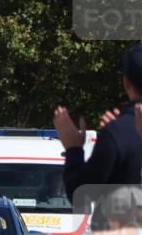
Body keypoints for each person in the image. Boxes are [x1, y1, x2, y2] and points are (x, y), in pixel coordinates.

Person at [55, 43, 142, 206]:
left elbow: (81, 195)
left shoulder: (117, 133)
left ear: (126, 83)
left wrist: (74, 149)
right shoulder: (117, 132)